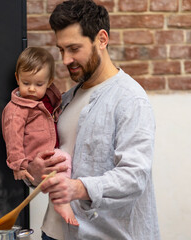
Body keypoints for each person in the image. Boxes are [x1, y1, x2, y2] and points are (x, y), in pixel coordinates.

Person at [26, 0, 161, 239]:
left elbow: (134, 176)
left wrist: (78, 187)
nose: (66, 59)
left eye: (74, 48)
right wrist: (36, 173)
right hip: (52, 233)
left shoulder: (130, 99)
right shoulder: (65, 99)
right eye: (61, 50)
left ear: (101, 39)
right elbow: (56, 167)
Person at [1, 47, 78, 226]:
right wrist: (19, 165)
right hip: (36, 156)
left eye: (39, 84)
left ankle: (62, 198)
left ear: (49, 82)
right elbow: (13, 139)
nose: (32, 89)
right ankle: (62, 202)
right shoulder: (16, 110)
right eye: (26, 83)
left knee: (65, 164)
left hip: (51, 151)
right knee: (64, 160)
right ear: (17, 78)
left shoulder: (49, 99)